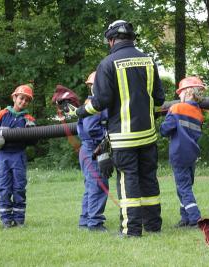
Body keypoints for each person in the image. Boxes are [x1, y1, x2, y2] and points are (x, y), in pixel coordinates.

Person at [66, 20, 165, 237]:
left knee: (128, 179)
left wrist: (79, 112)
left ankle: (131, 230)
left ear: (111, 40)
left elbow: (100, 102)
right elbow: (159, 99)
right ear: (131, 38)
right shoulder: (149, 61)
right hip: (148, 135)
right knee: (149, 178)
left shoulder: (107, 64)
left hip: (123, 138)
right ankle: (154, 225)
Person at [160, 76, 205, 228]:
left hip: (178, 154)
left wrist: (166, 119)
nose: (178, 95)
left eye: (180, 92)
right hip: (191, 155)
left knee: (184, 188)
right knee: (185, 187)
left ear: (188, 92)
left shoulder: (177, 108)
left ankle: (195, 218)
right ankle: (184, 218)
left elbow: (165, 130)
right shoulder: (199, 113)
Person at [0, 84, 36, 228]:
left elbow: (33, 141)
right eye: (21, 98)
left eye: (27, 100)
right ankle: (6, 221)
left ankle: (19, 220)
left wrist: (31, 131)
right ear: (14, 97)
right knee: (4, 188)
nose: (23, 102)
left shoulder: (28, 119)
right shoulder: (0, 115)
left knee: (19, 188)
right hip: (3, 156)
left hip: (18, 157)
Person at [77, 71, 110, 232]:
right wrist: (105, 138)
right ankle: (95, 223)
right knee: (99, 185)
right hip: (93, 149)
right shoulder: (94, 105)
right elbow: (91, 128)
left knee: (91, 185)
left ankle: (85, 220)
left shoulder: (97, 104)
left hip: (88, 149)